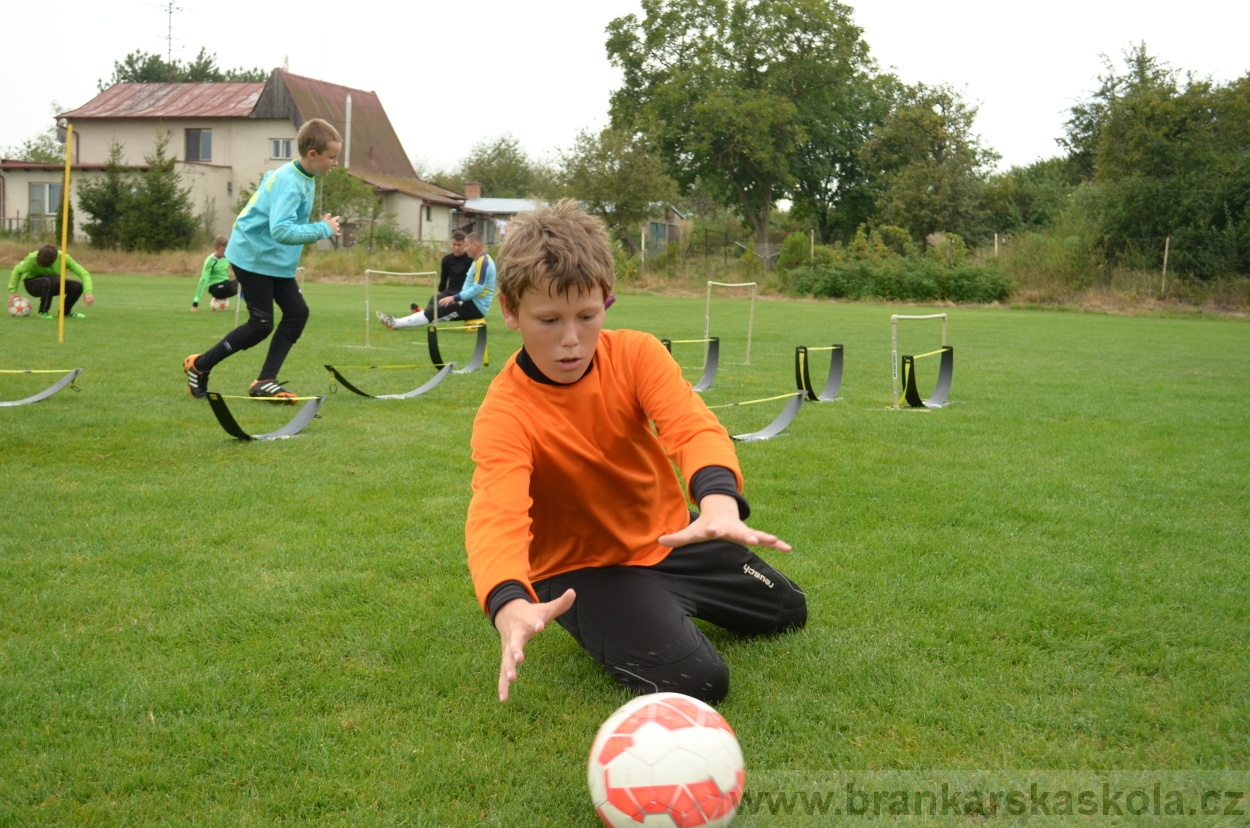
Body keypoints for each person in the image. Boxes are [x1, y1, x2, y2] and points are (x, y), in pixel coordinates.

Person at [465, 200, 806, 705]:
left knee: (788, 612)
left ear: (606, 300)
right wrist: (508, 600)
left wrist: (718, 504)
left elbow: (691, 426)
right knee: (700, 681)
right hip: (584, 569)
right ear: (511, 311)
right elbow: (497, 514)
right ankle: (626, 611)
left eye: (587, 316)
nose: (571, 340)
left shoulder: (638, 353)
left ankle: (657, 601)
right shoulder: (505, 413)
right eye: (549, 320)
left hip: (669, 535)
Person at [183, 118, 342, 402]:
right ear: (313, 154)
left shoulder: (301, 176)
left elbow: (270, 181)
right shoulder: (291, 182)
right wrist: (322, 229)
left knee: (297, 313)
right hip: (252, 257)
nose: (335, 163)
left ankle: (266, 380)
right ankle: (200, 365)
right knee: (261, 323)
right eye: (332, 157)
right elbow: (280, 230)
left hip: (273, 261)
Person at [377, 232, 495, 329]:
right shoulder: (479, 260)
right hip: (469, 303)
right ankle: (399, 321)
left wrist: (454, 298)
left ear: (475, 245)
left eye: (467, 246)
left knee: (435, 312)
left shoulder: (483, 262)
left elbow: (478, 288)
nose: (466, 248)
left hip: (474, 307)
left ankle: (395, 323)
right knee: (435, 308)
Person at [7, 244, 93, 319]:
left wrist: (88, 292)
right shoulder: (31, 258)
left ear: (54, 260)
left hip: (53, 283)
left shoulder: (64, 258)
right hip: (32, 284)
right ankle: (42, 312)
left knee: (77, 286)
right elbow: (17, 271)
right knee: (51, 280)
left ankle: (65, 312)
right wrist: (12, 291)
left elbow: (84, 273)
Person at [190, 234, 239, 311]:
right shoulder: (210, 261)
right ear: (216, 248)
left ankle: (255, 307)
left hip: (226, 285)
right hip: (215, 288)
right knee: (237, 284)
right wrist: (195, 303)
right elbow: (203, 281)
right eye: (223, 250)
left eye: (227, 250)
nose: (226, 253)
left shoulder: (227, 257)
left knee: (245, 281)